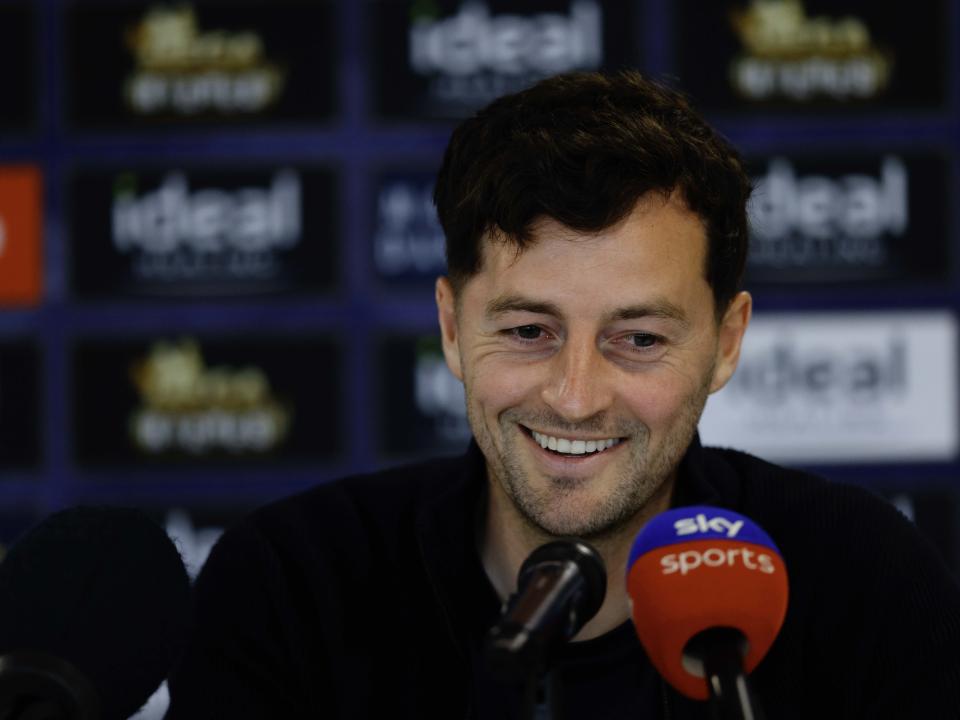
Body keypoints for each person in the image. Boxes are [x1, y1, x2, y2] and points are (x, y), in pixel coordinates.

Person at [166, 71, 960, 719]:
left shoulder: (863, 584)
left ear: (725, 343)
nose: (576, 398)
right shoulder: (292, 588)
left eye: (639, 339)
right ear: (450, 327)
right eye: (528, 332)